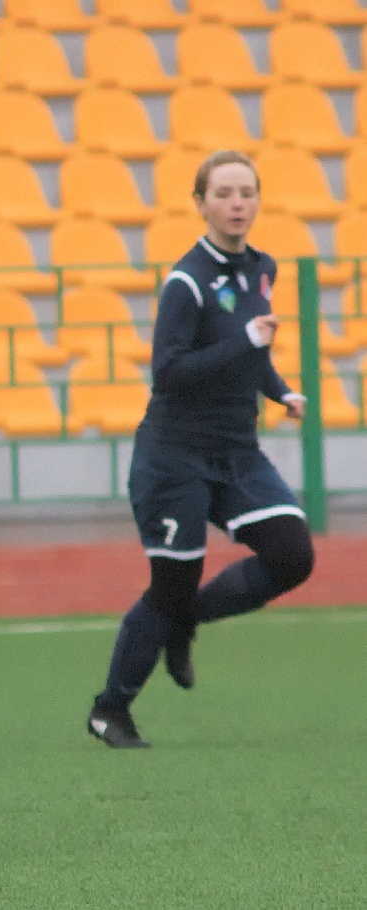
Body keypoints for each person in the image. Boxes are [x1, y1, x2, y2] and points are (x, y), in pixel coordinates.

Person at [87, 150, 315, 748]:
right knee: (171, 584)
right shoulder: (186, 282)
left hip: (237, 451)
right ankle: (111, 709)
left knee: (292, 554)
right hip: (174, 456)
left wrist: (280, 390)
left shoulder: (262, 268)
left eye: (246, 192)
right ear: (201, 204)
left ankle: (185, 618)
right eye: (223, 193)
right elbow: (169, 372)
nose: (237, 203)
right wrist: (246, 341)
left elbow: (251, 352)